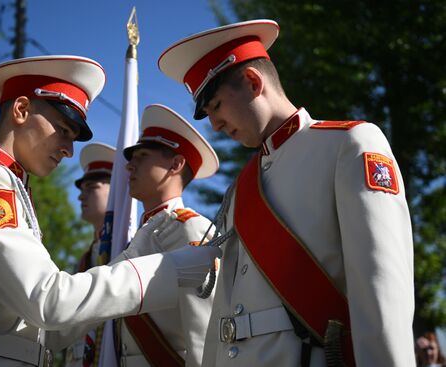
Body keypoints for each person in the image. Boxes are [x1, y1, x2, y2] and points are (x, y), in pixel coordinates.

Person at [0, 55, 221, 367]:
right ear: (20, 110)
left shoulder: (7, 183)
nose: (68, 150)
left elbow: (51, 331)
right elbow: (49, 302)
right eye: (62, 130)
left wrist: (134, 253)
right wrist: (173, 269)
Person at [158, 19, 415, 366]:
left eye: (216, 105)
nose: (215, 125)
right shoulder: (240, 188)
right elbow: (223, 313)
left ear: (252, 82)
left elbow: (383, 296)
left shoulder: (349, 144)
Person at [109, 103, 219, 367]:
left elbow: (204, 336)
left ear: (176, 164)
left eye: (142, 157)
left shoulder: (191, 229)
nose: (129, 168)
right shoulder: (140, 235)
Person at [65, 142, 115, 367]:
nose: (80, 197)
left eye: (91, 188)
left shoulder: (133, 251)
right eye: (81, 190)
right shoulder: (85, 259)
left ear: (117, 191)